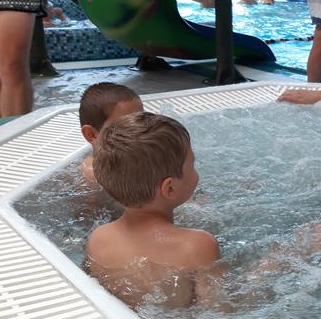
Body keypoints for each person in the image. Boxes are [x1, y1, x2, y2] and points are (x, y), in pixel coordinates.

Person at [85, 112, 221, 309]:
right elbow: (220, 311)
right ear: (170, 188)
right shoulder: (197, 245)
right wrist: (263, 271)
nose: (196, 171)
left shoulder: (98, 238)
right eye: (192, 164)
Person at [78, 82, 143, 183]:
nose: (139, 130)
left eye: (141, 120)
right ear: (91, 135)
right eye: (125, 126)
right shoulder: (95, 175)